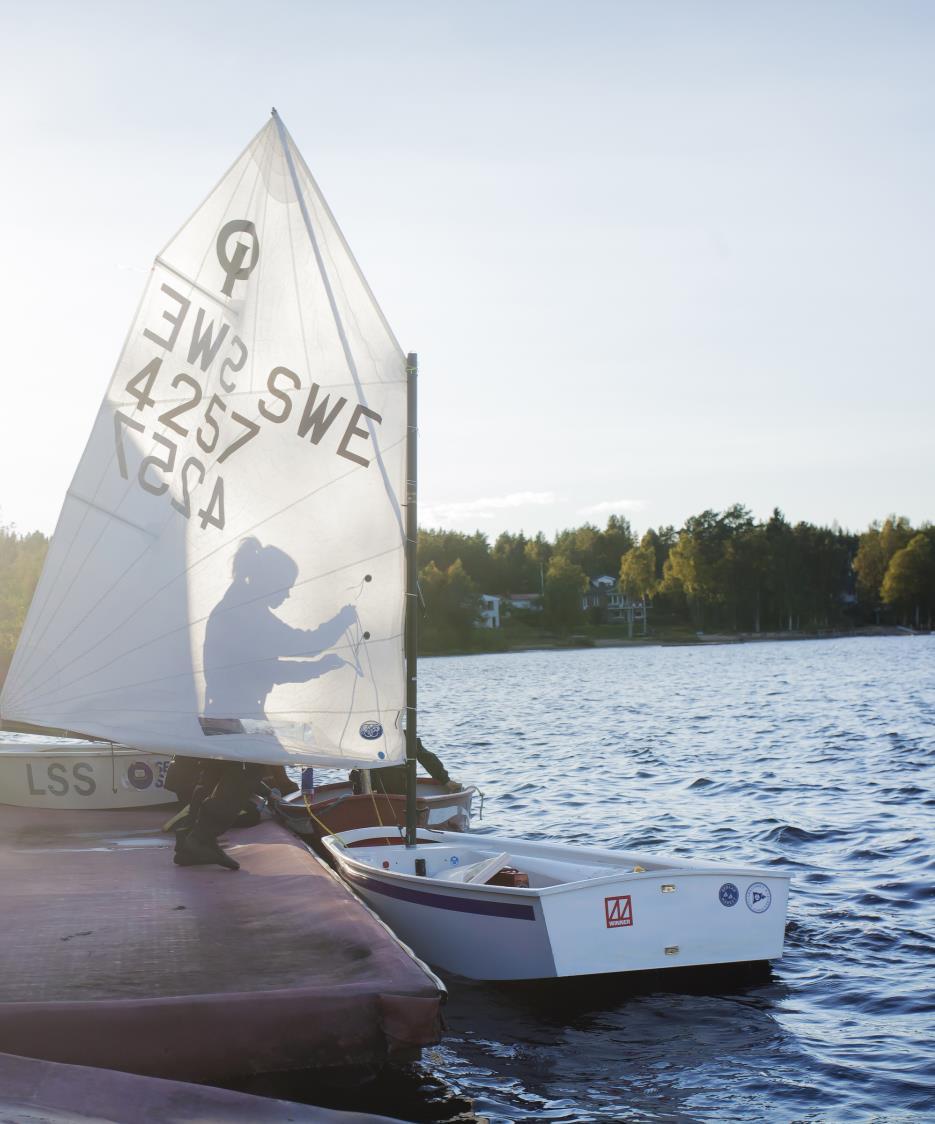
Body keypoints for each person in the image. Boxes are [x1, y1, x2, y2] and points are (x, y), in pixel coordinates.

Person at [173, 537, 353, 870]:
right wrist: (342, 623)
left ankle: (190, 840)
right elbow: (302, 645)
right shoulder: (248, 614)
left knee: (216, 773)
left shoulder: (237, 606)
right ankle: (201, 839)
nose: (287, 594)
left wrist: (319, 664)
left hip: (219, 708)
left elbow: (272, 664)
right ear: (267, 580)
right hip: (237, 712)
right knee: (247, 772)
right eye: (285, 587)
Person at [350, 737, 458, 797]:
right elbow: (427, 758)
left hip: (396, 797)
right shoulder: (405, 737)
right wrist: (445, 780)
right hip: (389, 797)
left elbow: (426, 758)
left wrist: (445, 780)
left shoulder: (406, 738)